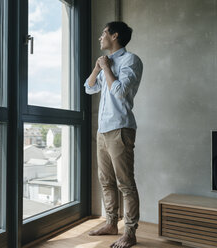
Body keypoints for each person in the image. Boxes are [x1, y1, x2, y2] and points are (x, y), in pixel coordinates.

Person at [84, 21, 143, 248]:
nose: (100, 37)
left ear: (115, 35)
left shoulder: (131, 60)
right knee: (106, 181)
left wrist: (107, 68)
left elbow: (118, 92)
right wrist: (98, 68)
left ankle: (130, 232)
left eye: (103, 33)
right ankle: (110, 223)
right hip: (103, 130)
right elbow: (89, 88)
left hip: (121, 129)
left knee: (125, 184)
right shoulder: (104, 62)